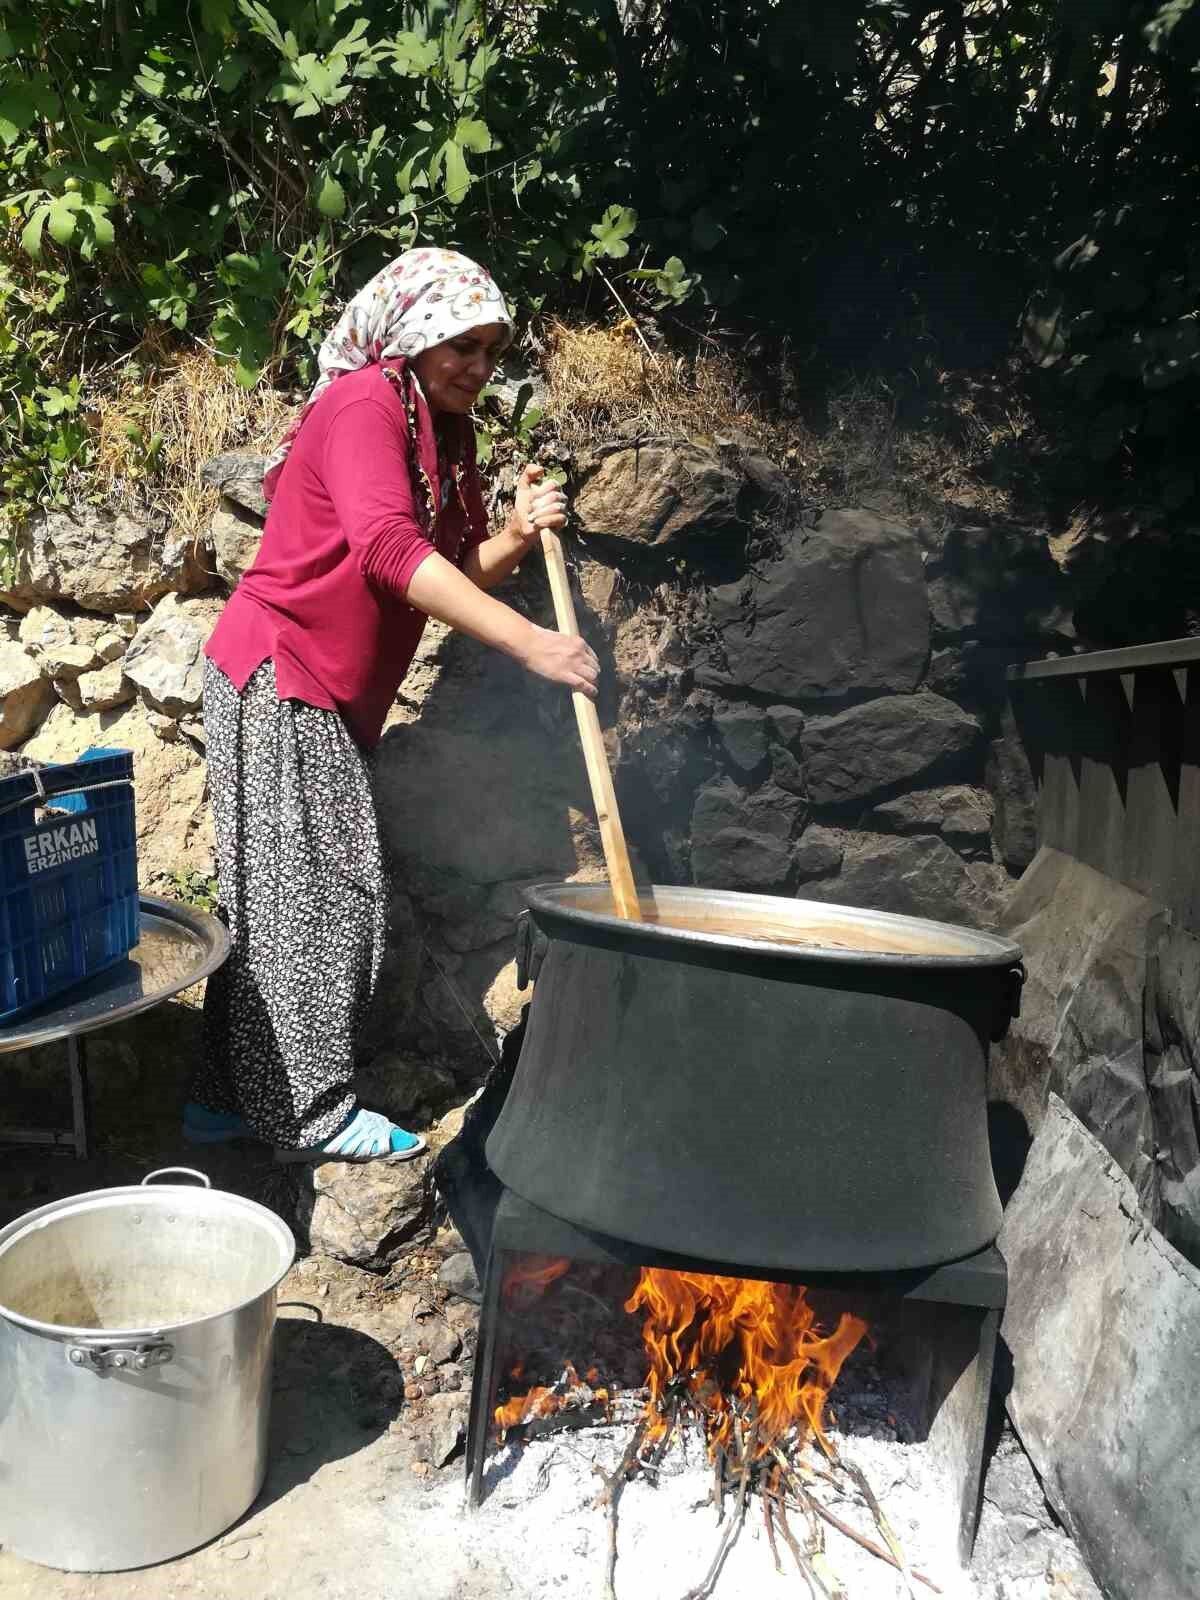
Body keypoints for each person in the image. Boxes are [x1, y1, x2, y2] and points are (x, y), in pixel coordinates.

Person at [183, 248, 598, 1162]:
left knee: (275, 904)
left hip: (321, 694)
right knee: (323, 899)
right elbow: (384, 551)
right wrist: (531, 644)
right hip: (280, 672)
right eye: (463, 345)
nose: (479, 367)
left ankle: (221, 1102)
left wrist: (517, 534)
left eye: (492, 350)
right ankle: (309, 1115)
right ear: (413, 334)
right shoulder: (365, 403)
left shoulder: (442, 433)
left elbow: (444, 570)